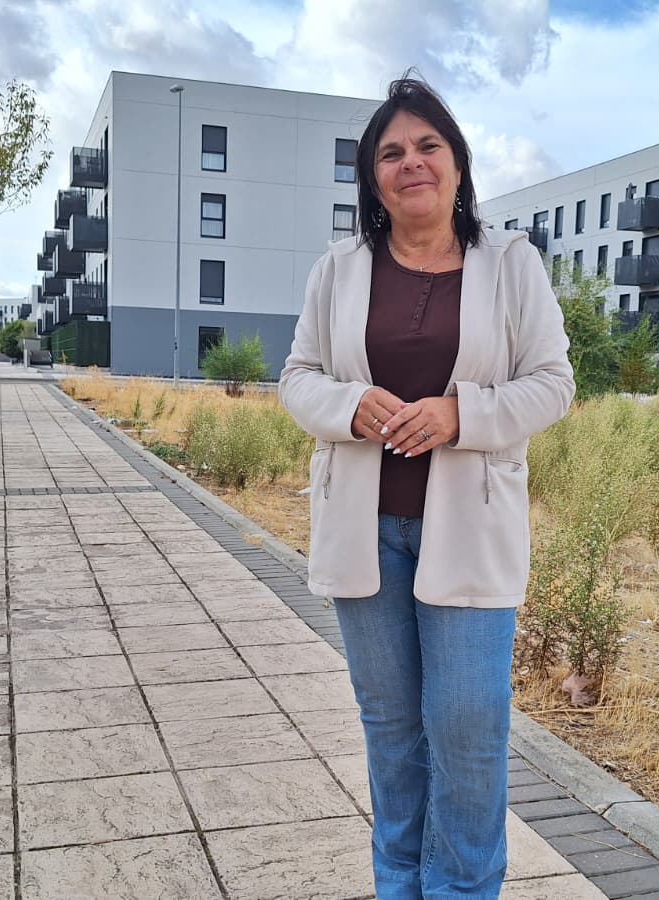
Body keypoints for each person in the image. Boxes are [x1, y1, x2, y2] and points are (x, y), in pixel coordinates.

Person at [280, 76, 574, 898]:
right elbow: (297, 377)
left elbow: (553, 383)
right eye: (391, 152)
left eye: (427, 145)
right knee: (393, 733)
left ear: (457, 163)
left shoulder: (510, 264)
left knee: (469, 732)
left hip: (468, 530)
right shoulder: (339, 270)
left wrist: (461, 414)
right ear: (372, 179)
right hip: (365, 530)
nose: (411, 162)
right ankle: (398, 887)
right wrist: (347, 404)